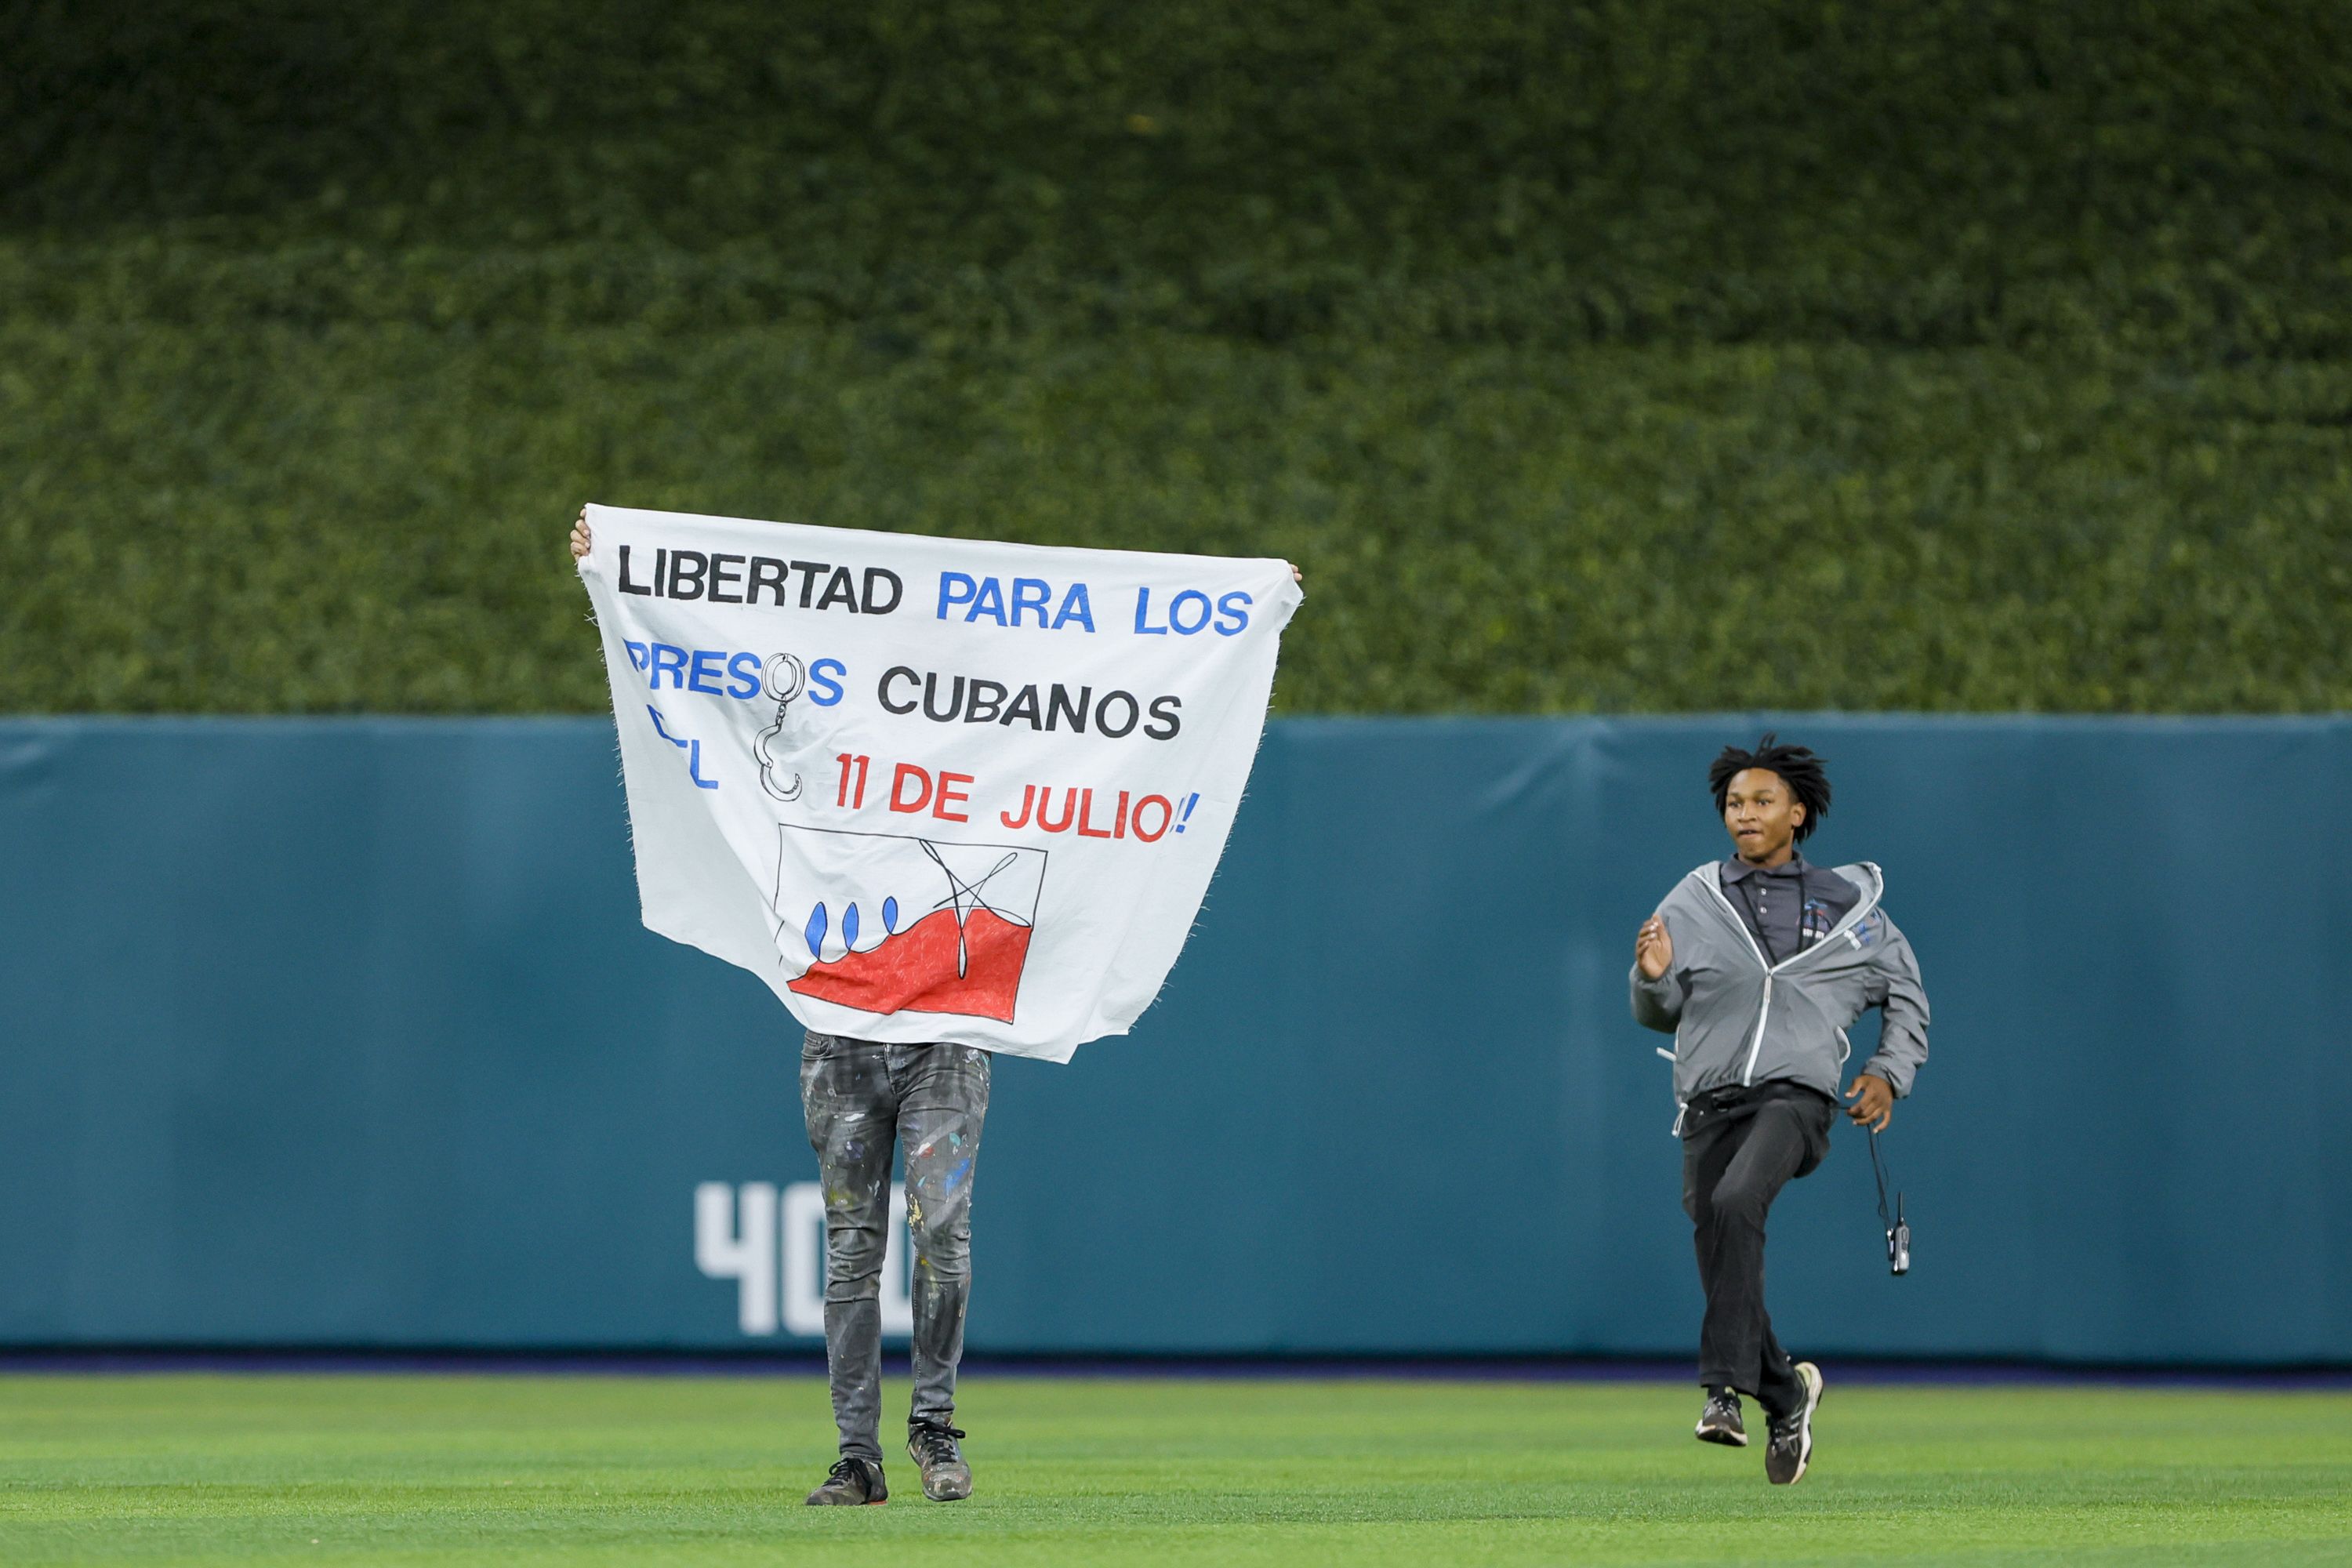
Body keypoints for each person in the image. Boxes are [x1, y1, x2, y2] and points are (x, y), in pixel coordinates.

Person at [571, 509, 1303, 1506]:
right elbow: (728, 674)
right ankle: (856, 1454)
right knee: (851, 1247)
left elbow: (1107, 698)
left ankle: (933, 1426)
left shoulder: (998, 734)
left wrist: (1244, 612)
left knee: (942, 1236)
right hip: (843, 1030)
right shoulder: (839, 723)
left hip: (945, 1036)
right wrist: (616, 571)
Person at [1630, 734, 1929, 1486]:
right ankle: (1787, 1393)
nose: (1745, 814)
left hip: (1796, 1100)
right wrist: (1651, 976)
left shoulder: (1850, 908)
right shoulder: (1693, 898)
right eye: (1734, 803)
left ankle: (1722, 1395)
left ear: (1797, 813)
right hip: (1707, 1101)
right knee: (1719, 1235)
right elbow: (1656, 1010)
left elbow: (1906, 994)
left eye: (1762, 801)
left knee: (1736, 1200)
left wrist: (1889, 1074)